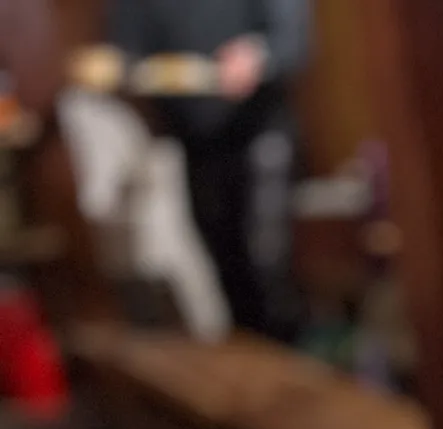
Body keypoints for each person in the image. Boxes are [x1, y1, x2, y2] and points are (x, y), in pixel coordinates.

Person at [107, 0, 309, 337]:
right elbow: (126, 51)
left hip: (259, 132)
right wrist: (125, 68)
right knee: (223, 265)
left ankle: (295, 364)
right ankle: (253, 372)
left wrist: (259, 55)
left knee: (267, 266)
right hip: (194, 140)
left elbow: (293, 39)